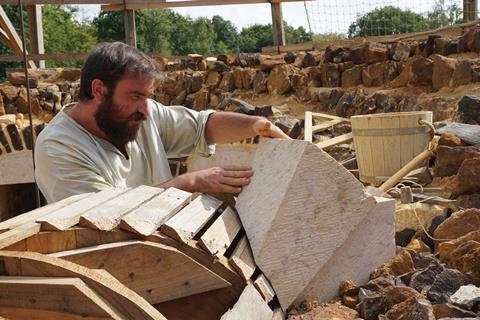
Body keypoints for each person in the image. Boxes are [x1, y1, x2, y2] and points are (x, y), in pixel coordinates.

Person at [34, 42, 289, 203]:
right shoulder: (58, 148)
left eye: (147, 97)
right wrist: (189, 182)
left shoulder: (140, 115)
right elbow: (103, 219)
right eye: (135, 96)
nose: (145, 110)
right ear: (99, 90)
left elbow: (204, 125)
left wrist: (256, 125)